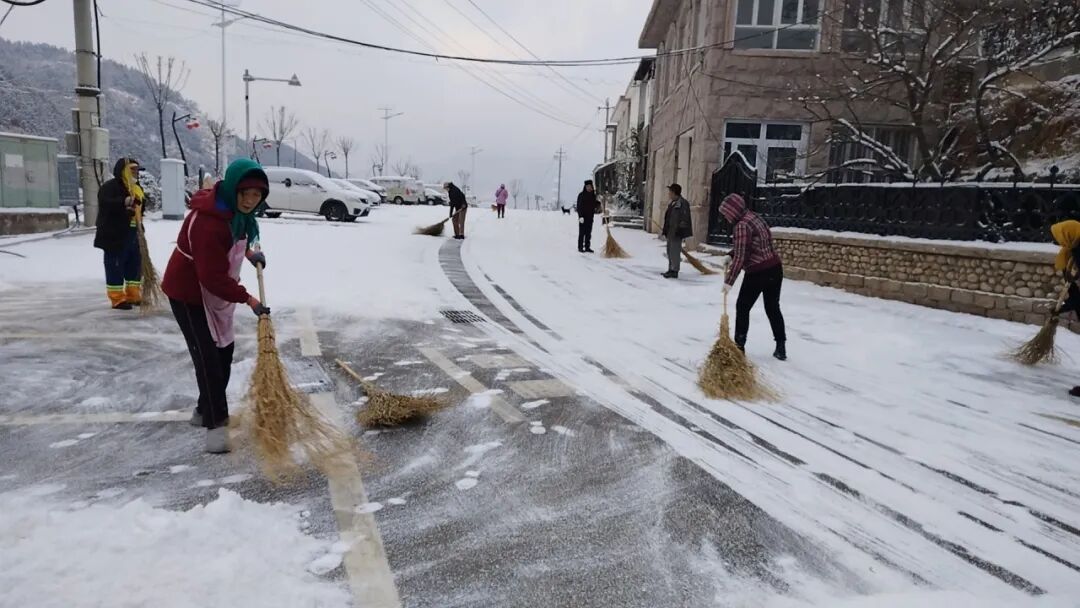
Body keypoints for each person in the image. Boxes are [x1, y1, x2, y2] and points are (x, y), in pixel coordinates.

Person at [161, 158, 271, 454]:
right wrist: (249, 299)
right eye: (245, 193)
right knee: (208, 357)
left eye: (257, 195)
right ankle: (215, 425)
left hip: (217, 293)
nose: (250, 200)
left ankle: (202, 408)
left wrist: (252, 253)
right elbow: (210, 277)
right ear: (233, 189)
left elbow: (248, 232)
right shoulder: (209, 223)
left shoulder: (239, 214)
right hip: (189, 293)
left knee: (224, 353)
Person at [720, 193, 786, 361]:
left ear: (733, 211)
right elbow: (750, 245)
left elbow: (742, 256)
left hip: (758, 272)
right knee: (772, 307)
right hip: (774, 268)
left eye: (726, 214)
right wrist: (731, 254)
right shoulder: (754, 217)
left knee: (742, 307)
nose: (726, 218)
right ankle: (781, 346)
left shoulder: (741, 226)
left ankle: (739, 348)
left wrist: (729, 282)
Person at [93, 157, 144, 310]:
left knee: (134, 265)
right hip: (115, 235)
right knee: (115, 265)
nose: (136, 173)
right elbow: (106, 202)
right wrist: (125, 202)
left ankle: (133, 295)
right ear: (123, 170)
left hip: (134, 233)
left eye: (137, 170)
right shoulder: (111, 187)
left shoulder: (136, 188)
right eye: (132, 169)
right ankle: (117, 298)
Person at [1051, 220, 1080, 396]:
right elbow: (1074, 293)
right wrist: (1061, 309)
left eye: (1059, 236)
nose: (1057, 240)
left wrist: (1062, 309)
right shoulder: (1070, 254)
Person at [661, 183, 693, 279]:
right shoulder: (672, 203)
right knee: (670, 251)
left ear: (674, 193)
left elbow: (685, 218)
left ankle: (674, 271)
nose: (669, 194)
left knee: (675, 251)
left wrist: (680, 230)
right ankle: (670, 269)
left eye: (670, 192)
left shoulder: (683, 203)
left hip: (676, 232)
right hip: (670, 231)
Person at [576, 180, 600, 253]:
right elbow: (579, 207)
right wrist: (580, 216)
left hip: (590, 217)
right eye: (587, 187)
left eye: (590, 187)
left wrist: (598, 203)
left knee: (588, 233)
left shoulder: (593, 196)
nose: (589, 188)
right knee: (582, 233)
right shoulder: (581, 195)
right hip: (583, 217)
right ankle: (580, 247)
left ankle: (587, 247)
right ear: (585, 187)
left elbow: (594, 205)